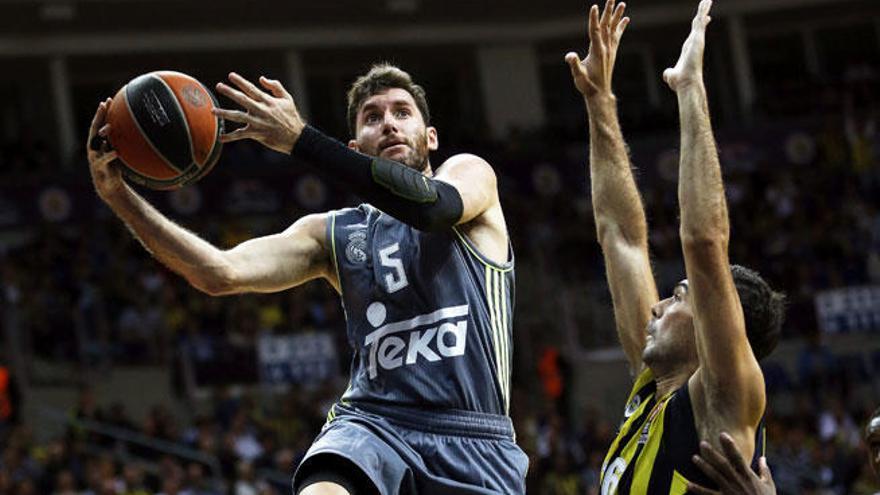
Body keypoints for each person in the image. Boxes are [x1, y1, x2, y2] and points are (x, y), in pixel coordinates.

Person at [87, 63, 526, 494]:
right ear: (354, 148)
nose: (389, 124)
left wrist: (301, 139)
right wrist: (119, 197)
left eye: (401, 112)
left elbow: (433, 208)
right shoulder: (330, 233)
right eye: (373, 117)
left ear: (431, 138)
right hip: (374, 426)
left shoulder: (470, 176)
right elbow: (218, 272)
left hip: (475, 438)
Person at [565, 0, 785, 493]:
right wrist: (599, 101)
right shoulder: (651, 394)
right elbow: (619, 235)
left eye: (680, 295)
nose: (658, 304)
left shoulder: (724, 400)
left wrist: (690, 89)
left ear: (718, 323)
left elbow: (705, 243)